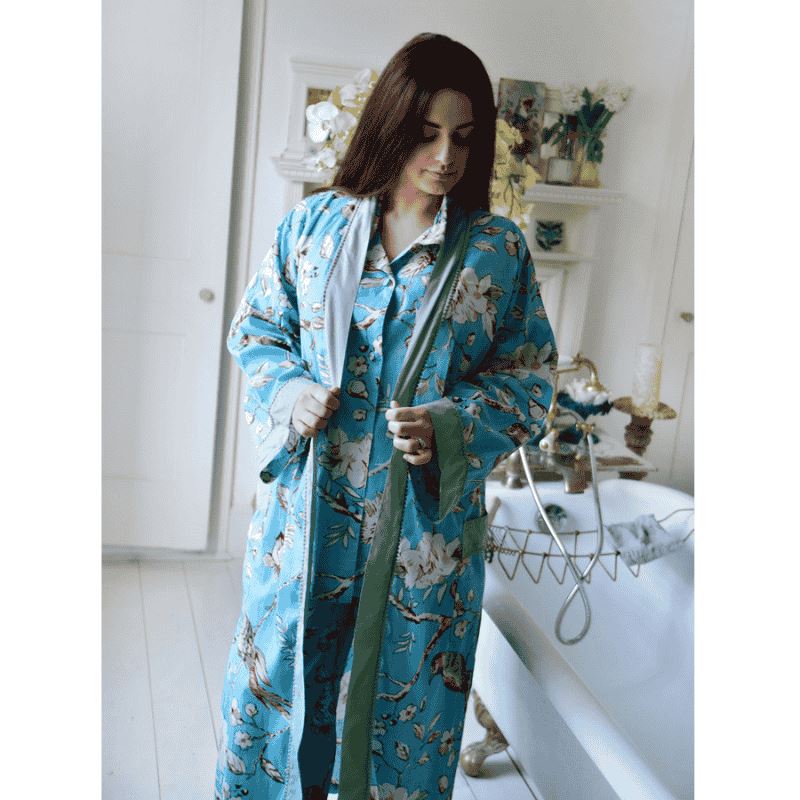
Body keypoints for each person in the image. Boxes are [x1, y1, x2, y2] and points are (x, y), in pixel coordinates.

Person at [214, 32, 559, 800]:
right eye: (426, 133)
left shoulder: (496, 250)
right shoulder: (313, 227)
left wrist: (452, 421)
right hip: (307, 530)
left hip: (419, 544)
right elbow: (257, 329)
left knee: (399, 727)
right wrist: (292, 392)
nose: (445, 156)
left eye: (463, 138)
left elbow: (531, 377)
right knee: (281, 706)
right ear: (391, 126)